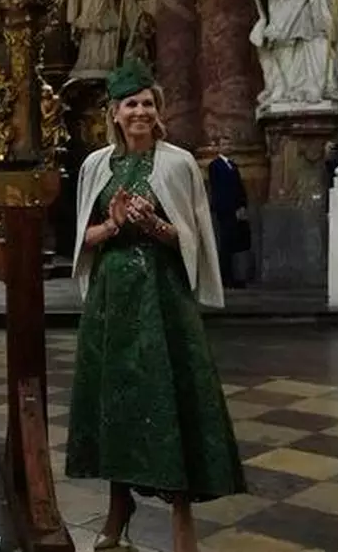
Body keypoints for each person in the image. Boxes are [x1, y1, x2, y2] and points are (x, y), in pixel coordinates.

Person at [66, 60, 246, 552]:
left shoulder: (178, 163)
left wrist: (157, 228)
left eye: (149, 103)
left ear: (158, 111)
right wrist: (115, 224)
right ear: (115, 114)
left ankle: (182, 520)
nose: (141, 111)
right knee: (118, 400)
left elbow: (194, 236)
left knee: (170, 399)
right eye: (132, 104)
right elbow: (85, 237)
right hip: (112, 303)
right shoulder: (94, 166)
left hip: (163, 300)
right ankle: (117, 509)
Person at [207, 135, 251, 288]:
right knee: (225, 244)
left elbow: (238, 187)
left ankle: (235, 276)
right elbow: (219, 190)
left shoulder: (232, 165)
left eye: (229, 144)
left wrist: (242, 205)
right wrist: (229, 207)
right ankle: (226, 278)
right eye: (224, 144)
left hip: (236, 210)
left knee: (234, 245)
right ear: (218, 147)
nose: (227, 147)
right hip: (225, 210)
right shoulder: (215, 165)